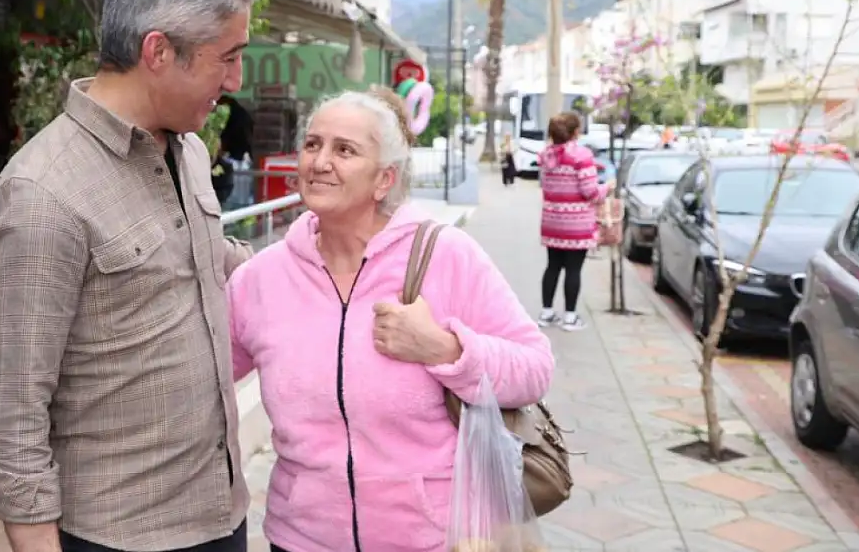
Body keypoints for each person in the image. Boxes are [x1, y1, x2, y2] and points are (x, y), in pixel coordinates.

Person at [0, 0, 264, 552]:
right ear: (158, 51)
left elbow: (207, 260)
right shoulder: (41, 195)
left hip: (221, 512)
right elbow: (12, 423)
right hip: (119, 536)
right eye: (227, 57)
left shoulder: (185, 150)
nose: (236, 80)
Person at [226, 87, 555, 552]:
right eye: (313, 144)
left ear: (384, 180)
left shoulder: (444, 255)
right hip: (301, 539)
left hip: (429, 539)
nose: (320, 162)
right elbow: (206, 376)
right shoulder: (261, 278)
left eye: (345, 150)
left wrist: (446, 350)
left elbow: (535, 367)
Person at [537, 112, 612, 331]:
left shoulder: (546, 156)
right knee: (573, 270)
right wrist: (607, 187)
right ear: (575, 132)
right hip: (576, 223)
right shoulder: (582, 156)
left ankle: (546, 313)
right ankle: (570, 318)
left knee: (552, 266)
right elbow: (591, 192)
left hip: (552, 221)